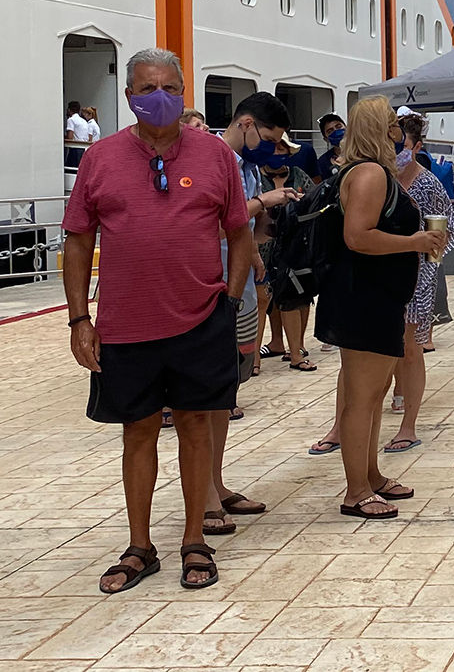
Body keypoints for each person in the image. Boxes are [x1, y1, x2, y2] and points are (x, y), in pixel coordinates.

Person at [64, 47, 254, 593]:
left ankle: (195, 538)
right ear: (128, 97)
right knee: (138, 432)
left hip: (200, 320)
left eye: (170, 87)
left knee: (196, 428)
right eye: (147, 88)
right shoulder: (100, 158)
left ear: (184, 91)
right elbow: (78, 240)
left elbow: (239, 230)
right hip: (125, 324)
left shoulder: (215, 155)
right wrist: (80, 319)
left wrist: (231, 297)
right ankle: (140, 546)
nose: (160, 97)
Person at [310, 98, 445, 519]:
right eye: (393, 124)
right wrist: (415, 242)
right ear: (381, 130)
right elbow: (358, 236)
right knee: (362, 399)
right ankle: (355, 491)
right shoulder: (369, 174)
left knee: (372, 393)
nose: (399, 132)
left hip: (376, 299)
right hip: (363, 300)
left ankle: (371, 475)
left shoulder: (368, 172)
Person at [201, 92, 301, 535]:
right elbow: (225, 217)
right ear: (246, 124)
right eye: (268, 137)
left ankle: (216, 483)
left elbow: (243, 230)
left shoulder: (246, 166)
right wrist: (267, 202)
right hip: (209, 284)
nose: (271, 148)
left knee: (225, 392)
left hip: (236, 285)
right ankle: (202, 494)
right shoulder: (212, 159)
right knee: (204, 396)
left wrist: (258, 266)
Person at [392, 110, 454, 446]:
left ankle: (408, 424)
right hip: (381, 273)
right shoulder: (378, 178)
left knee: (410, 346)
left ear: (416, 146)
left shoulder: (429, 184)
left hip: (417, 275)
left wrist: (423, 267)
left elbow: (443, 237)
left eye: (402, 145)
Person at [259, 135, 315, 367]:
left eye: (283, 148)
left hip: (294, 246)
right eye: (274, 147)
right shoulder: (255, 175)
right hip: (263, 247)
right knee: (265, 299)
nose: (278, 152)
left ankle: (297, 347)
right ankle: (268, 349)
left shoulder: (299, 175)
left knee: (298, 296)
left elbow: (313, 201)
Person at [65, 98, 100, 170]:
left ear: (69, 109)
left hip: (74, 149)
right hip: (83, 149)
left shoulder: (71, 120)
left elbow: (70, 137)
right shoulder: (84, 121)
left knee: (71, 170)